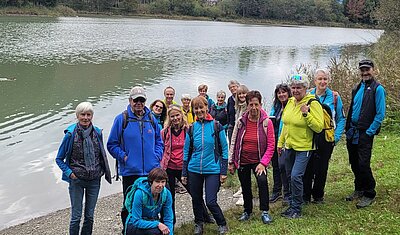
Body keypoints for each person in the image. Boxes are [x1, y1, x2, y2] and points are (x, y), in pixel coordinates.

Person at [107, 86, 164, 232]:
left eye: (141, 100)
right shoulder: (122, 119)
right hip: (130, 171)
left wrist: (157, 156)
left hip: (150, 171)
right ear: (130, 100)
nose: (138, 103)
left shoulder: (151, 118)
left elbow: (159, 141)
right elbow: (112, 144)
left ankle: (146, 229)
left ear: (145, 101)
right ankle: (128, 230)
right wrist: (124, 157)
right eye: (135, 100)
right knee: (129, 203)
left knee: (151, 201)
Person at [55, 102, 112, 235]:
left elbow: (101, 154)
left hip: (94, 180)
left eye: (88, 115)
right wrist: (70, 173)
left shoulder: (97, 132)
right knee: (76, 217)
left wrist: (102, 171)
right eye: (83, 114)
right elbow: (59, 159)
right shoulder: (70, 135)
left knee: (90, 216)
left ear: (92, 116)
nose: (86, 118)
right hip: (77, 181)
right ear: (77, 116)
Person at [277, 74, 324, 219]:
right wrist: (280, 142)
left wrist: (306, 114)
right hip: (289, 146)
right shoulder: (290, 101)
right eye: (293, 87)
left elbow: (318, 127)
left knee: (296, 176)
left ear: (305, 88)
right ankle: (292, 205)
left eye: (299, 87)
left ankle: (297, 208)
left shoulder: (313, 102)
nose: (296, 90)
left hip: (304, 148)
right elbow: (286, 124)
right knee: (291, 176)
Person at [181, 96, 229, 235]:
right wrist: (184, 173)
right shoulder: (191, 128)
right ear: (193, 110)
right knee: (196, 199)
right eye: (196, 108)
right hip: (194, 169)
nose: (199, 110)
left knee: (211, 200)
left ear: (207, 107)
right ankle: (199, 223)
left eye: (201, 107)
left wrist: (223, 170)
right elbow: (186, 151)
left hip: (212, 169)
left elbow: (225, 149)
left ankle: (222, 223)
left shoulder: (216, 125)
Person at [228, 90, 275, 224]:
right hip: (243, 159)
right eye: (251, 105)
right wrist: (231, 161)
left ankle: (264, 211)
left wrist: (263, 163)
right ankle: (247, 211)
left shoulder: (267, 122)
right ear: (247, 105)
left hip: (259, 161)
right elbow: (233, 141)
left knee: (262, 182)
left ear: (260, 105)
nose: (253, 108)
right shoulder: (241, 122)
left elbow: (271, 145)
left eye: (256, 104)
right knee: (245, 185)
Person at [160, 105, 212, 225]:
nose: (175, 118)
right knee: (169, 196)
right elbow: (160, 148)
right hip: (169, 167)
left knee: (195, 193)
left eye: (177, 115)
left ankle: (205, 216)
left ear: (181, 115)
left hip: (185, 167)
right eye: (172, 116)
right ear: (169, 118)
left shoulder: (189, 129)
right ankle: (169, 222)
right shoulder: (165, 132)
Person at [345, 59, 386, 208]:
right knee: (354, 162)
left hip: (365, 132)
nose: (365, 72)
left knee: (363, 163)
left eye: (367, 69)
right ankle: (359, 188)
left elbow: (380, 113)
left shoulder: (378, 89)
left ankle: (369, 192)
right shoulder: (357, 88)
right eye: (362, 70)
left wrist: (370, 131)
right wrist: (347, 127)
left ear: (373, 70)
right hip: (353, 131)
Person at [303, 68, 346, 204]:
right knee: (308, 166)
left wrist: (336, 137)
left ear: (329, 80)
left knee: (322, 167)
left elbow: (341, 118)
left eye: (325, 79)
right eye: (320, 79)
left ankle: (318, 196)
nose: (323, 81)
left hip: (326, 137)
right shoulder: (308, 95)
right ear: (315, 81)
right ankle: (305, 195)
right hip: (310, 136)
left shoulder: (334, 97)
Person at [125, 168, 173, 235]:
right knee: (156, 232)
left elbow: (168, 218)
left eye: (163, 182)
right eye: (157, 182)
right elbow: (136, 221)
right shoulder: (139, 194)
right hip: (134, 226)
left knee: (163, 231)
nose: (160, 185)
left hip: (152, 222)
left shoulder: (167, 194)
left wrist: (170, 233)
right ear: (150, 182)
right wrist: (158, 224)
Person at [269, 83, 291, 204]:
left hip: (285, 141)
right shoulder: (276, 107)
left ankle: (287, 193)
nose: (281, 95)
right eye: (279, 93)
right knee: (276, 166)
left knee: (284, 167)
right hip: (274, 140)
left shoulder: (292, 105)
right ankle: (276, 191)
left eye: (284, 92)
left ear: (288, 93)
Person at [232, 84, 249, 206]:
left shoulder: (248, 108)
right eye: (240, 94)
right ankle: (241, 187)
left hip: (246, 140)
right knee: (239, 165)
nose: (242, 96)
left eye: (244, 93)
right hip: (238, 138)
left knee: (245, 168)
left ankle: (245, 194)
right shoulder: (238, 107)